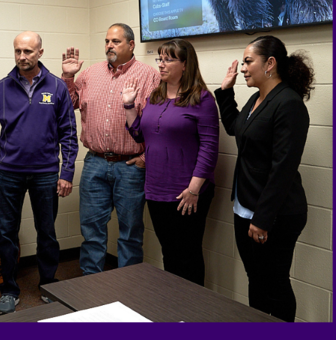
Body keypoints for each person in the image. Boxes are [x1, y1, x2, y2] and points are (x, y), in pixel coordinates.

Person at [0, 31, 77, 315]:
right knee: (6, 234)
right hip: (9, 173)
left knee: (47, 233)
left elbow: (68, 133)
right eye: (17, 51)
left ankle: (49, 283)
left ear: (40, 52)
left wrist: (67, 172)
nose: (22, 57)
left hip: (46, 173)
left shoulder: (57, 86)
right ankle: (9, 289)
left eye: (28, 51)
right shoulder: (2, 87)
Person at [215, 35, 311, 322]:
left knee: (275, 282)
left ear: (270, 63)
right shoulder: (258, 99)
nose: (243, 68)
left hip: (274, 213)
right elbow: (235, 128)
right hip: (246, 204)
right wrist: (225, 92)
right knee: (256, 279)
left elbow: (283, 167)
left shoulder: (289, 104)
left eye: (248, 61)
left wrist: (263, 218)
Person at [61, 24, 160, 275]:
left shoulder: (149, 76)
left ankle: (128, 291)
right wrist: (68, 77)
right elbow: (68, 104)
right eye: (107, 41)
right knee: (91, 230)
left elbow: (158, 121)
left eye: (116, 41)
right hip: (95, 162)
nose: (109, 46)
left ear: (131, 45)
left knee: (130, 232)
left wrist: (146, 157)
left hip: (131, 166)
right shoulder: (90, 73)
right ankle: (90, 288)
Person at [122, 39, 218, 285]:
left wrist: (194, 189)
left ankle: (193, 315)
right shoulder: (155, 96)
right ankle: (175, 311)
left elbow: (209, 147)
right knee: (170, 253)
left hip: (187, 191)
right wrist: (129, 105)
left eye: (168, 59)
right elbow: (141, 136)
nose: (161, 65)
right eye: (160, 59)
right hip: (156, 189)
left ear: (185, 65)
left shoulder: (202, 99)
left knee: (188, 255)